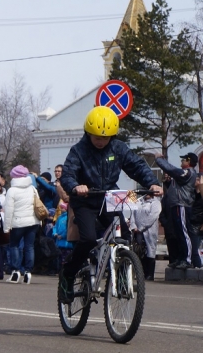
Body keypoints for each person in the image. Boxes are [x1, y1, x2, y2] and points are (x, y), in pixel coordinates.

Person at [57, 106, 160, 302]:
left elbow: (136, 166)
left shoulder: (118, 148)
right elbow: (68, 173)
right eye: (97, 137)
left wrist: (152, 183)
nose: (101, 141)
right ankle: (68, 274)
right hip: (85, 200)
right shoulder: (78, 150)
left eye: (105, 138)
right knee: (87, 240)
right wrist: (76, 186)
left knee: (125, 237)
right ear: (88, 133)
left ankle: (121, 277)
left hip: (109, 198)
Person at [155, 151, 199, 270]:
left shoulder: (188, 172)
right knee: (178, 233)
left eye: (183, 160)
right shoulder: (184, 174)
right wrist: (168, 182)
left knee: (184, 233)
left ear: (189, 161)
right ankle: (181, 258)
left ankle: (187, 259)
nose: (181, 162)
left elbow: (172, 170)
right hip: (177, 205)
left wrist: (160, 160)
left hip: (182, 205)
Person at [2, 165, 42, 283]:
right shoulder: (32, 188)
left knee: (14, 245)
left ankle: (15, 271)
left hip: (18, 222)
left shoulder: (12, 190)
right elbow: (38, 205)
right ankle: (28, 272)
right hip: (32, 222)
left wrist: (6, 227)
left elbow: (8, 210)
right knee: (29, 247)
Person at [129, 193, 161, 281]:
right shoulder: (138, 201)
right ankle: (141, 273)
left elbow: (152, 217)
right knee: (139, 251)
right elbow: (132, 214)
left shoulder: (156, 203)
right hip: (137, 232)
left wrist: (141, 227)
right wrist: (133, 226)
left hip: (149, 231)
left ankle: (149, 274)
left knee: (150, 251)